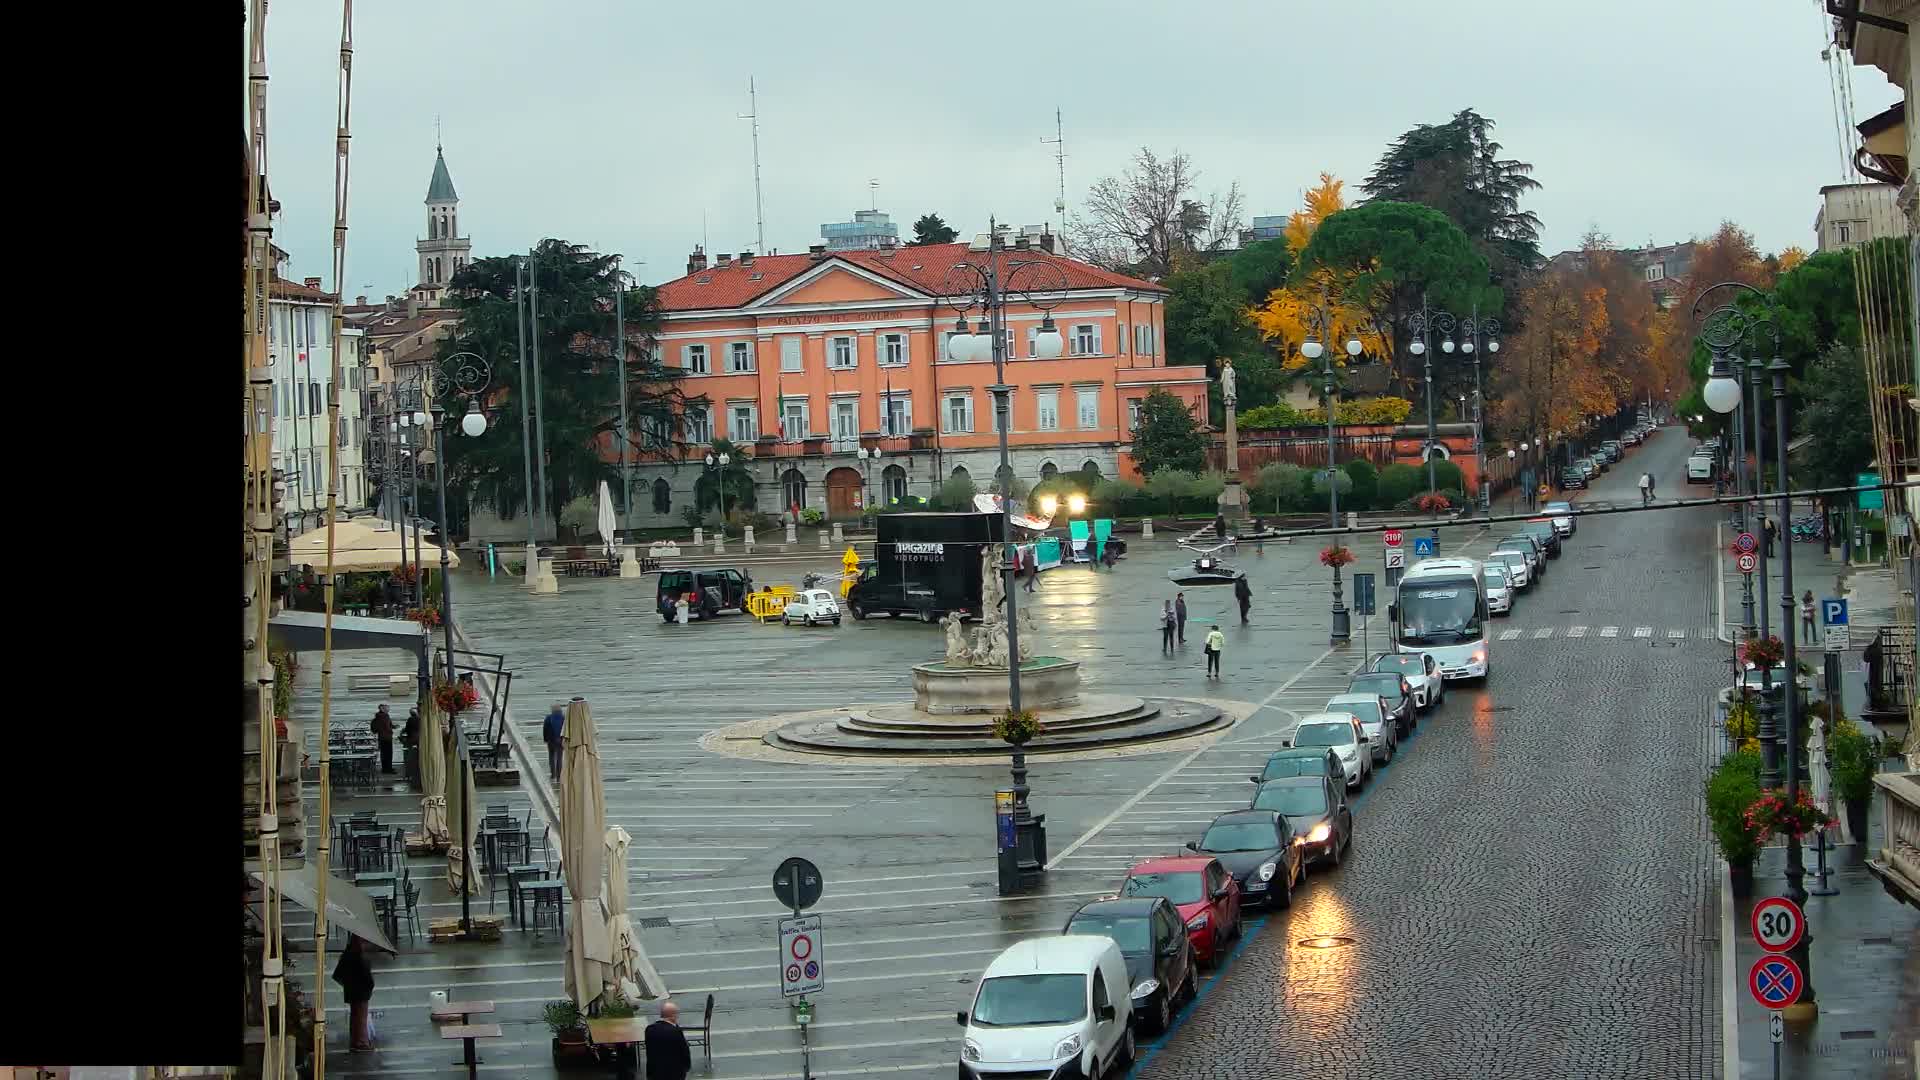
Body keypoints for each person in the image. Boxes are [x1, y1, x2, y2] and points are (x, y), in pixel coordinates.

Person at [333, 934, 376, 1052]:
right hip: (360, 992)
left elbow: (339, 975)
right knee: (360, 1017)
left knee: (355, 1016)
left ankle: (356, 1040)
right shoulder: (358, 957)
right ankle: (361, 1042)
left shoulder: (348, 954)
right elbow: (366, 976)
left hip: (353, 991)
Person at [645, 1000, 693, 1080]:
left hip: (655, 1073)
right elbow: (684, 1051)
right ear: (673, 1016)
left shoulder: (649, 1030)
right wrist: (686, 1067)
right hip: (674, 1073)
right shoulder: (675, 1031)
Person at [542, 701, 566, 784]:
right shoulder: (563, 718)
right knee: (559, 758)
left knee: (551, 757)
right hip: (560, 741)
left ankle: (553, 774)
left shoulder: (548, 718)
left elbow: (545, 729)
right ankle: (559, 775)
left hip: (551, 741)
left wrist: (545, 739)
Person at [371, 704, 395, 775]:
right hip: (387, 737)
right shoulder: (385, 716)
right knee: (388, 754)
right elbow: (387, 726)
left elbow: (386, 725)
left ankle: (385, 768)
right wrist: (391, 730)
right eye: (386, 708)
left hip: (381, 737)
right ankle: (389, 769)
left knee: (383, 754)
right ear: (382, 709)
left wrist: (392, 727)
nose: (388, 709)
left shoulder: (378, 716)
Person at [401, 707, 422, 784]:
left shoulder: (410, 719)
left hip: (412, 739)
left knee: (410, 755)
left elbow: (407, 729)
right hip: (419, 738)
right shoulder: (420, 719)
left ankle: (409, 771)